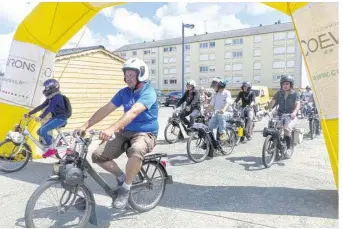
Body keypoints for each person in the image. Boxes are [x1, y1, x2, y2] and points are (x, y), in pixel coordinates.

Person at [75, 58, 158, 209]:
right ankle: (122, 178)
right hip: (126, 131)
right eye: (126, 75)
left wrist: (112, 128)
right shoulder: (123, 92)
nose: (128, 78)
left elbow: (133, 112)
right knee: (98, 156)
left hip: (145, 132)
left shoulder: (149, 92)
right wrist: (85, 125)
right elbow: (107, 108)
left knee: (136, 150)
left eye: (132, 75)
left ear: (141, 75)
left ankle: (126, 189)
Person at [24, 79, 69, 158]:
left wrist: (41, 117)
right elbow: (41, 106)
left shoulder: (57, 96)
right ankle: (56, 142)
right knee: (39, 132)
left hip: (61, 118)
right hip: (55, 117)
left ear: (53, 88)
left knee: (43, 130)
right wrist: (30, 113)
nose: (45, 90)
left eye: (47, 88)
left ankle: (52, 150)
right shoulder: (51, 97)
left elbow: (50, 108)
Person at [267, 75, 300, 158]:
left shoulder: (295, 94)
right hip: (280, 114)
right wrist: (268, 108)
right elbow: (273, 102)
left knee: (286, 128)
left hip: (290, 115)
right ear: (281, 85)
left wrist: (295, 112)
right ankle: (277, 146)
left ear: (290, 85)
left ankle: (288, 148)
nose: (285, 86)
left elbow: (298, 104)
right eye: (283, 84)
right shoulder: (279, 93)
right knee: (275, 128)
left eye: (287, 84)